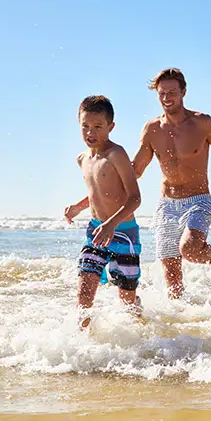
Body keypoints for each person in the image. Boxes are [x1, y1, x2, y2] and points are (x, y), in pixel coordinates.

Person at [132, 68, 211, 299]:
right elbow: (136, 169)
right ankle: (182, 327)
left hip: (198, 201)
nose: (166, 98)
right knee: (172, 281)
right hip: (166, 205)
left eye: (172, 92)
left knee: (189, 250)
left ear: (183, 92)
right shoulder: (151, 130)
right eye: (161, 93)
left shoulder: (202, 123)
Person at [63, 95, 143, 329]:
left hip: (124, 233)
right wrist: (79, 206)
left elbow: (135, 198)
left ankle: (142, 329)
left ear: (111, 127)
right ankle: (82, 345)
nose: (91, 132)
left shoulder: (116, 154)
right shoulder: (82, 159)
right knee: (84, 293)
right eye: (85, 126)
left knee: (126, 300)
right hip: (96, 231)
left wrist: (111, 224)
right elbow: (99, 192)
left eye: (98, 127)